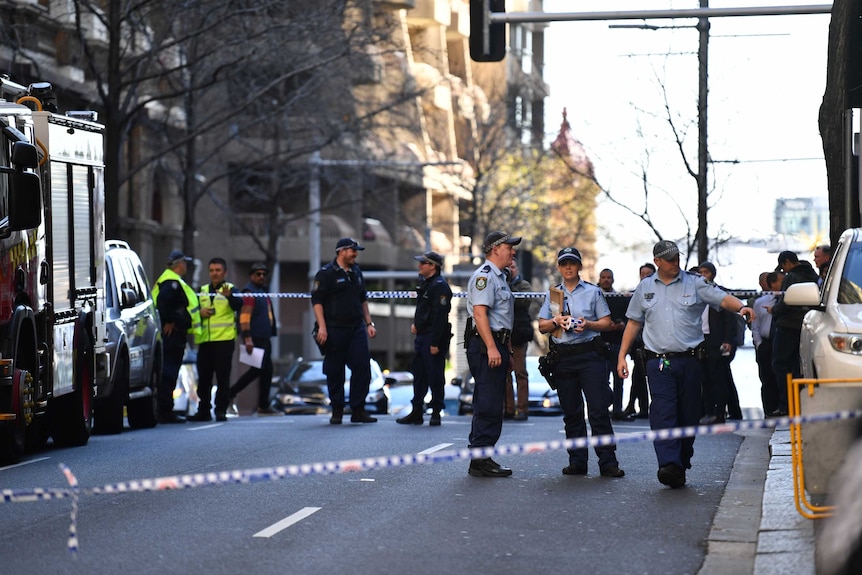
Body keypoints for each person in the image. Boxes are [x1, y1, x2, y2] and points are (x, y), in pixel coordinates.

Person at [616, 240, 754, 488]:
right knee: (663, 412)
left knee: (689, 414)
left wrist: (742, 307)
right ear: (657, 261)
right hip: (658, 363)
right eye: (669, 260)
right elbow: (634, 323)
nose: (675, 263)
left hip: (690, 361)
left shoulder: (695, 282)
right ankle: (669, 463)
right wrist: (621, 356)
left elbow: (722, 299)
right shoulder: (645, 288)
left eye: (677, 258)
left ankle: (681, 458)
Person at [537, 248, 625, 478]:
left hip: (590, 355)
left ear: (579, 267)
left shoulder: (593, 292)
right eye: (564, 264)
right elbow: (542, 326)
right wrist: (556, 320)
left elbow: (606, 323)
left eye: (572, 264)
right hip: (564, 356)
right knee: (572, 413)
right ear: (559, 267)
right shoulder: (553, 294)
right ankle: (577, 461)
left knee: (598, 410)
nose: (568, 268)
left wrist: (588, 324)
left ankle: (608, 462)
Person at [465, 231, 521, 477]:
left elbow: (501, 319)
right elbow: (480, 314)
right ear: (495, 248)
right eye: (509, 246)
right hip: (485, 343)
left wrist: (505, 349)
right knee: (488, 401)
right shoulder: (485, 277)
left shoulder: (500, 277)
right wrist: (490, 347)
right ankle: (480, 459)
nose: (513, 251)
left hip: (496, 344)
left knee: (491, 399)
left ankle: (483, 455)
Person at [312, 238, 378, 425]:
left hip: (356, 328)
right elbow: (317, 302)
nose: (355, 254)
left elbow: (362, 299)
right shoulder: (325, 274)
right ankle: (337, 410)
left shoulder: (356, 271)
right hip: (333, 329)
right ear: (341, 251)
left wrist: (369, 323)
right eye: (352, 251)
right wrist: (322, 327)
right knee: (335, 371)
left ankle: (358, 409)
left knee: (362, 367)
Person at [397, 251, 452, 427]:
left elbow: (439, 317)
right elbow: (424, 310)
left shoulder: (440, 286)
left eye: (423, 263)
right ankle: (417, 411)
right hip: (422, 336)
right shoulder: (426, 283)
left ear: (433, 266)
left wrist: (435, 342)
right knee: (419, 375)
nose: (420, 266)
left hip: (433, 337)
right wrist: (417, 325)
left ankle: (436, 411)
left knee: (435, 375)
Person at [189, 258, 243, 422]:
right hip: (205, 341)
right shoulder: (203, 290)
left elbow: (239, 305)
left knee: (222, 377)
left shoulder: (231, 289)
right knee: (204, 378)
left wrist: (229, 297)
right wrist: (201, 312)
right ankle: (203, 410)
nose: (215, 273)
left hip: (224, 341)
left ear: (224, 272)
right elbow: (193, 310)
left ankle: (220, 410)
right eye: (212, 270)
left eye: (218, 270)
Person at [151, 249, 202, 424]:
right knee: (169, 372)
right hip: (172, 335)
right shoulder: (171, 282)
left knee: (169, 371)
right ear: (180, 264)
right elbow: (163, 303)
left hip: (174, 334)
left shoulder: (170, 280)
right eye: (184, 262)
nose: (186, 265)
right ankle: (165, 411)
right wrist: (171, 320)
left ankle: (165, 409)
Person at [228, 262, 280, 416]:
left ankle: (263, 405)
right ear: (251, 276)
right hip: (255, 338)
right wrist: (247, 338)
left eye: (264, 274)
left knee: (267, 371)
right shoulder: (250, 293)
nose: (262, 276)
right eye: (258, 274)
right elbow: (244, 318)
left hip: (265, 337)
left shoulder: (262, 291)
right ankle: (231, 393)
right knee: (257, 371)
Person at [771, 251, 819, 416]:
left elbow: (785, 302)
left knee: (780, 364)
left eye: (783, 268)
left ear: (787, 262)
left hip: (787, 325)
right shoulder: (813, 275)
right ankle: (800, 402)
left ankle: (786, 404)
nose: (783, 273)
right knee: (798, 366)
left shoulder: (792, 277)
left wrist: (774, 310)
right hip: (805, 326)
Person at [696, 261, 742, 424]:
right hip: (701, 341)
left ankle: (720, 412)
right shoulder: (696, 293)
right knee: (705, 378)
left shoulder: (720, 294)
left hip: (717, 341)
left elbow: (730, 320)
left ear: (712, 274)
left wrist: (728, 340)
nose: (702, 275)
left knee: (719, 378)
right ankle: (707, 411)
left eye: (706, 272)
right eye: (700, 272)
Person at [598, 268, 632, 422]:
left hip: (616, 343)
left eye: (608, 277)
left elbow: (628, 320)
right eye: (603, 277)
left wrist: (619, 325)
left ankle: (617, 410)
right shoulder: (594, 297)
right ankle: (602, 410)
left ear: (612, 280)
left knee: (619, 380)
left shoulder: (619, 298)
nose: (606, 280)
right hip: (599, 345)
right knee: (601, 381)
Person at [622, 262, 655, 419]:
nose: (645, 277)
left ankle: (640, 407)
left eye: (649, 273)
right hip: (638, 345)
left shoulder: (659, 293)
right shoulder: (634, 294)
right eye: (643, 274)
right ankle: (637, 407)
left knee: (648, 377)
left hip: (655, 345)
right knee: (638, 376)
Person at [504, 260, 534, 421]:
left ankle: (522, 409)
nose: (510, 270)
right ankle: (508, 409)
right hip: (503, 334)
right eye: (507, 268)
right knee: (505, 374)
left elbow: (523, 302)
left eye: (513, 267)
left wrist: (509, 287)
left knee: (520, 372)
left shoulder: (524, 286)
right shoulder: (499, 283)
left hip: (519, 335)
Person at [752, 270, 784, 417]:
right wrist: (759, 343)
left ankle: (781, 406)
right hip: (766, 344)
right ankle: (769, 410)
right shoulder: (760, 302)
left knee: (781, 376)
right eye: (779, 281)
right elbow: (755, 325)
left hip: (782, 342)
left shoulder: (787, 301)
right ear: (772, 284)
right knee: (766, 378)